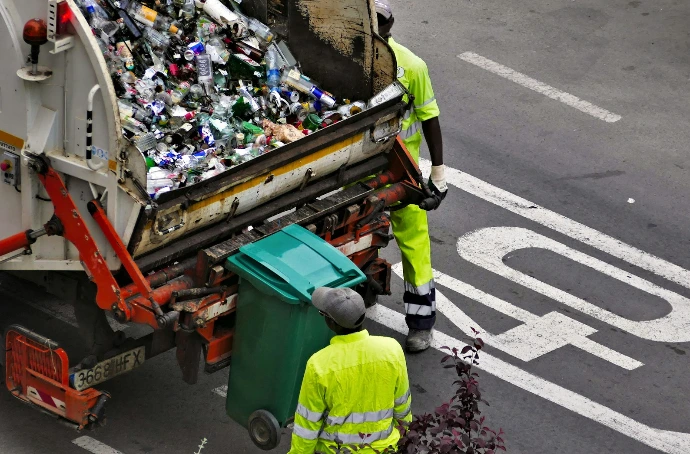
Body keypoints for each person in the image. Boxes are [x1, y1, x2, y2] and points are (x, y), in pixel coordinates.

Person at [375, 0, 448, 352]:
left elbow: (430, 118)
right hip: (358, 164)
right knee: (353, 233)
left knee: (415, 245)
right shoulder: (347, 59)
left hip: (400, 169)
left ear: (391, 25)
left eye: (382, 23)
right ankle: (357, 292)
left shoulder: (412, 66)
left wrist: (438, 172)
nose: (377, 29)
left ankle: (421, 324)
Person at [288, 287, 412, 454]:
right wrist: (404, 438)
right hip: (385, 449)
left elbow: (308, 425)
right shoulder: (392, 350)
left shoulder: (319, 365)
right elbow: (402, 406)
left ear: (331, 322)